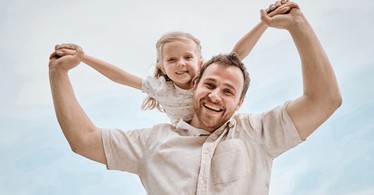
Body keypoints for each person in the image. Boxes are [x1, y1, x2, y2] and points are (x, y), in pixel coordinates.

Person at [48, 2, 341, 195]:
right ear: (197, 84)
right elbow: (84, 139)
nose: (215, 95)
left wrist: (296, 26)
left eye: (228, 91)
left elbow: (324, 99)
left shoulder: (256, 133)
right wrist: (60, 72)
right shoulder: (152, 144)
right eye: (210, 85)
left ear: (240, 103)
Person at [54, 0, 297, 124]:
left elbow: (237, 54)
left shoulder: (206, 79)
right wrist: (83, 58)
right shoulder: (159, 88)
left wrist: (264, 24)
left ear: (200, 62)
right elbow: (119, 76)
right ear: (161, 67)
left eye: (188, 57)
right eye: (172, 59)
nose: (181, 63)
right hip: (186, 136)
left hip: (217, 125)